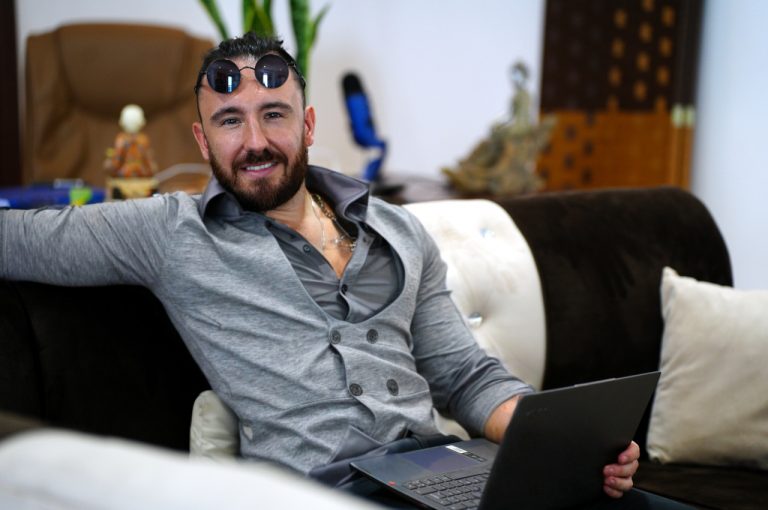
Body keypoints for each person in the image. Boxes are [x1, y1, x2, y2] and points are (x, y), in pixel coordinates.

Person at [1, 33, 683, 509]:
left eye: (274, 115)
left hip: (446, 470)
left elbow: (466, 377)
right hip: (322, 491)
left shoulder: (400, 230)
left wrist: (559, 446)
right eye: (230, 122)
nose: (256, 142)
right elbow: (19, 239)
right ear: (202, 142)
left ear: (307, 125)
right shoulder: (170, 232)